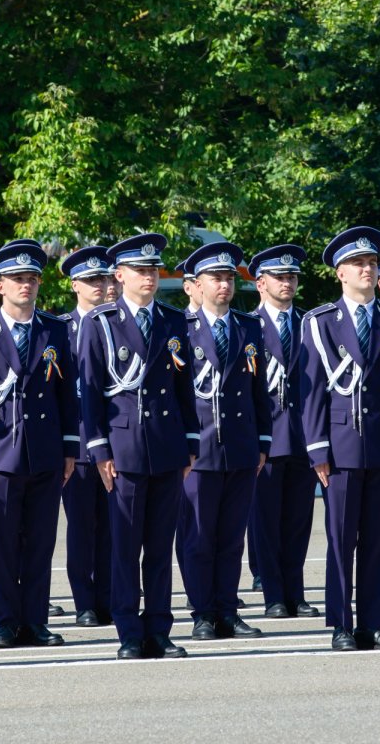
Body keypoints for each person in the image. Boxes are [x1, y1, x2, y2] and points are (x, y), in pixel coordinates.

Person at [78, 233, 199, 660]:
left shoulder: (172, 321)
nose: (148, 276)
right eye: (140, 270)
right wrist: (100, 450)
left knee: (161, 545)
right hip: (123, 447)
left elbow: (185, 388)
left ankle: (160, 630)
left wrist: (191, 444)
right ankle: (129, 630)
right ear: (120, 275)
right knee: (125, 545)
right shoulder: (101, 323)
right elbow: (91, 391)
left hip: (166, 447)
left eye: (153, 269)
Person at [0, 240, 78, 648]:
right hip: (0, 454)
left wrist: (69, 449)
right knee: (4, 542)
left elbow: (67, 395)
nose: (26, 285)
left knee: (41, 542)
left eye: (32, 279)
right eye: (16, 279)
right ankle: (6, 622)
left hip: (44, 451)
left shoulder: (55, 329)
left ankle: (36, 621)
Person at [302, 226, 380, 652]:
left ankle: (373, 621)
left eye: (371, 264)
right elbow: (311, 389)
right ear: (340, 273)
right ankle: (341, 624)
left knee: (378, 537)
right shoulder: (320, 322)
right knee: (341, 539)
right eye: (357, 264)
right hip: (342, 446)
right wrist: (317, 448)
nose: (367, 270)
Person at [177, 241, 271, 641]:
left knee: (232, 537)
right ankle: (202, 612)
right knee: (199, 536)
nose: (224, 285)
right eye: (215, 278)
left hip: (241, 445)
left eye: (229, 277)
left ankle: (228, 610)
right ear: (193, 286)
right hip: (199, 448)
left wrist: (263, 440)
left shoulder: (249, 327)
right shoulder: (180, 328)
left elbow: (259, 391)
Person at [247, 245, 319, 619]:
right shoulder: (247, 326)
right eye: (280, 276)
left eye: (292, 276)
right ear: (261, 283)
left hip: (305, 438)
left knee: (298, 522)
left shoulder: (311, 324)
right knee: (265, 523)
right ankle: (273, 594)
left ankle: (296, 592)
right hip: (267, 439)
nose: (288, 282)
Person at [59, 246, 115, 627]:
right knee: (81, 526)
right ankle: (85, 602)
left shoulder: (116, 322)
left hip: (115, 441)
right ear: (75, 284)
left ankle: (111, 596)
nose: (101, 285)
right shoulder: (59, 328)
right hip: (76, 444)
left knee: (113, 525)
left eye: (105, 278)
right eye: (93, 280)